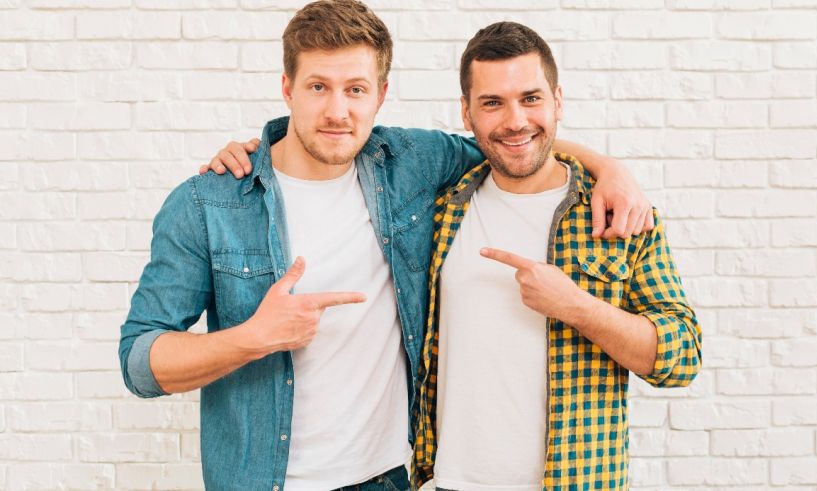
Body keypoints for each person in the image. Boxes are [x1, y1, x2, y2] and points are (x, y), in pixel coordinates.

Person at [119, 1, 652, 489]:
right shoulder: (209, 204)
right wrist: (253, 338)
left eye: (355, 89)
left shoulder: (408, 163)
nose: (337, 111)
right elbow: (141, 363)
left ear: (381, 94)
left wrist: (609, 168)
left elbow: (510, 137)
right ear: (287, 88)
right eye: (317, 87)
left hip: (388, 478)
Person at [408, 22, 702, 491]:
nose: (515, 120)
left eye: (530, 98)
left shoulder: (618, 213)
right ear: (466, 113)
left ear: (558, 101)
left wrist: (578, 308)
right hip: (453, 482)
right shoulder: (438, 210)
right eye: (492, 103)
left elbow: (682, 356)